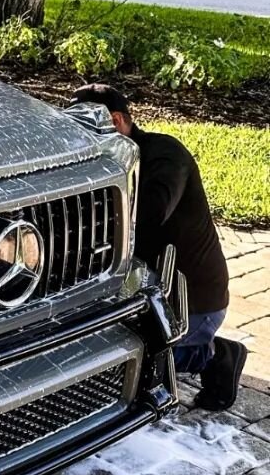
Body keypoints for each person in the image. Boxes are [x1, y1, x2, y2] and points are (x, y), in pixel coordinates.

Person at [70, 84, 246, 411]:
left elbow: (152, 212)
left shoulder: (166, 155)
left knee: (127, 365)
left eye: (87, 123)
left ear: (117, 119)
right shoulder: (100, 161)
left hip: (193, 301)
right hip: (146, 290)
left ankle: (214, 355)